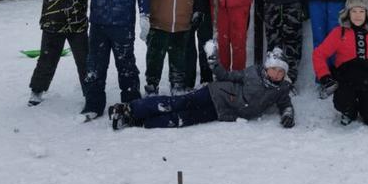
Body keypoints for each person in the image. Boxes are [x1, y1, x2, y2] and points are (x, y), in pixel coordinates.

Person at [108, 48, 295, 130]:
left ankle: (139, 122)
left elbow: (286, 105)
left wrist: (287, 115)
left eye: (281, 71)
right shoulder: (252, 73)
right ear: (267, 68)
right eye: (274, 69)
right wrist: (215, 64)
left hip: (223, 112)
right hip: (215, 93)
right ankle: (130, 108)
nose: (277, 74)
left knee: (183, 119)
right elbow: (226, 76)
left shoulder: (281, 89)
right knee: (177, 104)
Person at [74, 0, 149, 120]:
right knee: (95, 67)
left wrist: (144, 15)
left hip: (122, 26)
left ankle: (132, 102)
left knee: (126, 66)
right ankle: (93, 104)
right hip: (98, 25)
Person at [20, 0, 90, 106]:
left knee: (85, 61)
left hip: (77, 26)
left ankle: (90, 91)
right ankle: (37, 90)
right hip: (53, 25)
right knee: (47, 59)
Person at [312, 0, 368, 127]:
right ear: (347, 14)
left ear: (367, 14)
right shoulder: (339, 33)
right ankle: (349, 110)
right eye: (354, 11)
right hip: (345, 81)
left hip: (367, 81)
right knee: (343, 102)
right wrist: (325, 76)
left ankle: (364, 106)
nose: (358, 15)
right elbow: (319, 54)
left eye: (361, 11)